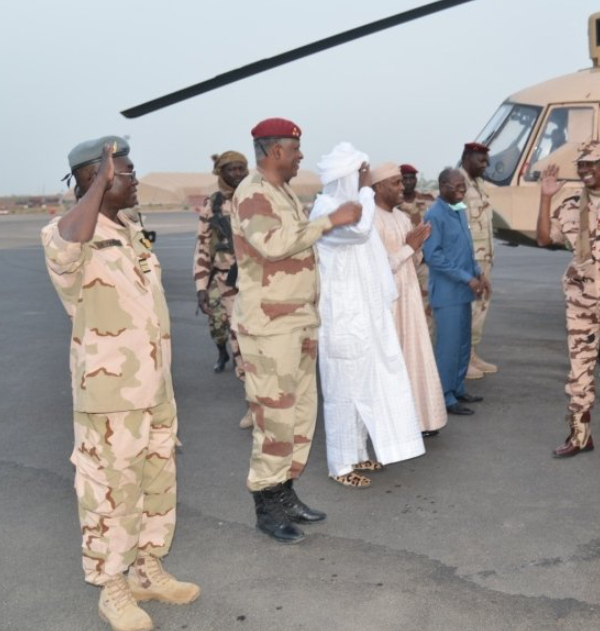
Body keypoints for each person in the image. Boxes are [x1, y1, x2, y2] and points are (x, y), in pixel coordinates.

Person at [41, 137, 199, 631]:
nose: (134, 181)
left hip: (155, 388)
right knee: (110, 491)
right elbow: (68, 244)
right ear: (97, 179)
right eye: (125, 174)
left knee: (155, 482)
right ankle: (112, 587)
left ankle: (147, 570)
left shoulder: (129, 231)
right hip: (110, 398)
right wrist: (102, 184)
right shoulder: (65, 233)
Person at [231, 119, 362, 543]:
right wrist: (331, 221)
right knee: (274, 418)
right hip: (270, 327)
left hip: (297, 321)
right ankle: (266, 506)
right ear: (274, 152)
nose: (300, 156)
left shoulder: (281, 191)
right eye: (295, 149)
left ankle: (285, 491)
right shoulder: (253, 193)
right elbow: (272, 243)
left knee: (300, 415)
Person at [310, 145, 425, 488]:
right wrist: (365, 186)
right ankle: (340, 464)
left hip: (364, 313)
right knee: (342, 391)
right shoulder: (327, 210)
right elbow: (359, 231)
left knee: (366, 384)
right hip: (342, 316)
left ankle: (358, 451)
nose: (365, 179)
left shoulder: (354, 209)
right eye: (360, 173)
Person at [372, 163, 447, 438]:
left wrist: (415, 247)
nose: (402, 187)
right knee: (393, 361)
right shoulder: (371, 220)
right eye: (395, 183)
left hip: (410, 299)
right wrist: (409, 247)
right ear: (379, 187)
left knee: (415, 357)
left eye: (402, 182)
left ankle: (420, 419)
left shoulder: (402, 218)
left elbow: (412, 260)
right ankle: (393, 424)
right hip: (388, 304)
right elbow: (378, 267)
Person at [536, 140, 600, 458]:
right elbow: (545, 238)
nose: (586, 168)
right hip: (582, 302)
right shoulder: (570, 204)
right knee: (579, 371)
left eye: (593, 162)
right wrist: (546, 199)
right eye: (582, 164)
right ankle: (580, 435)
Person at [423, 168, 491, 415]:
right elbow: (434, 256)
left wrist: (479, 274)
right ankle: (445, 396)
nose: (462, 190)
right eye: (456, 186)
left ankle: (458, 387)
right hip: (448, 292)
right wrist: (466, 278)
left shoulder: (459, 211)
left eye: (463, 186)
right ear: (442, 186)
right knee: (448, 347)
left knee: (463, 343)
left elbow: (467, 248)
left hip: (464, 291)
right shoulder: (435, 215)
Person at [193, 150, 253, 428]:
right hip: (228, 285)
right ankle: (253, 403)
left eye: (242, 169)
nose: (238, 174)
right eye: (232, 170)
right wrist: (201, 287)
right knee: (238, 341)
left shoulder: (258, 197)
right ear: (220, 173)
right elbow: (203, 247)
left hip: (259, 282)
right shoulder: (213, 206)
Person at [460, 142, 498, 379]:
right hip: (469, 259)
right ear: (467, 157)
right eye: (481, 161)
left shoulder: (479, 185)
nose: (485, 166)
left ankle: (471, 353)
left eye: (486, 162)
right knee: (466, 309)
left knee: (480, 308)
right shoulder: (457, 184)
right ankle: (462, 361)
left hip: (484, 258)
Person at [399, 164, 436, 335]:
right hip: (401, 264)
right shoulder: (392, 204)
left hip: (424, 264)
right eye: (404, 179)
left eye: (411, 178)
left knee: (426, 307)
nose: (408, 182)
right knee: (403, 307)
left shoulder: (428, 201)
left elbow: (437, 227)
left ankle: (425, 346)